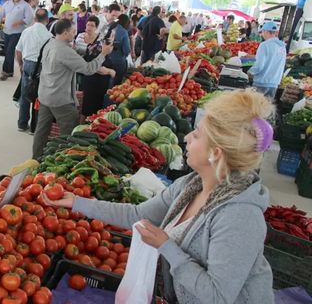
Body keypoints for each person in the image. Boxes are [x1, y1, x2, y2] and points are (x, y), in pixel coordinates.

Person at [42, 89, 275, 303]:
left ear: (215, 153)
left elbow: (217, 296)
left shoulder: (240, 216)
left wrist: (167, 246)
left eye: (197, 135)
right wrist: (78, 202)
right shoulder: (190, 185)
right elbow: (138, 214)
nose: (187, 138)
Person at [32, 19, 114, 159]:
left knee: (42, 130)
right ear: (65, 33)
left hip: (45, 94)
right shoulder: (64, 50)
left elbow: (74, 54)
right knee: (70, 132)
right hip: (60, 99)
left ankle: (36, 159)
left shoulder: (50, 43)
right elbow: (87, 69)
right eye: (73, 32)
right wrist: (103, 55)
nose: (75, 34)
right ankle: (62, 161)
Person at [15, 8, 51, 133]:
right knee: (38, 96)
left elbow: (18, 51)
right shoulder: (49, 36)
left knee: (25, 94)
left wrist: (20, 64)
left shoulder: (26, 31)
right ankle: (34, 127)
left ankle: (22, 123)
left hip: (27, 64)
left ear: (34, 18)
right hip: (41, 67)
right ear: (47, 20)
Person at [0, 0, 33, 81]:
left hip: (17, 32)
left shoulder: (25, 6)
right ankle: (10, 71)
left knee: (10, 50)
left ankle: (5, 72)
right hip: (6, 31)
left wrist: (19, 22)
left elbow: (29, 18)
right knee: (7, 51)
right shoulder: (7, 4)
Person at [248, 22, 286, 101]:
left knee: (255, 108)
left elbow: (259, 66)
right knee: (266, 108)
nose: (262, 34)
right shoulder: (282, 46)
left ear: (266, 31)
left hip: (261, 82)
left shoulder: (264, 45)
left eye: (262, 32)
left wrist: (250, 72)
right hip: (274, 83)